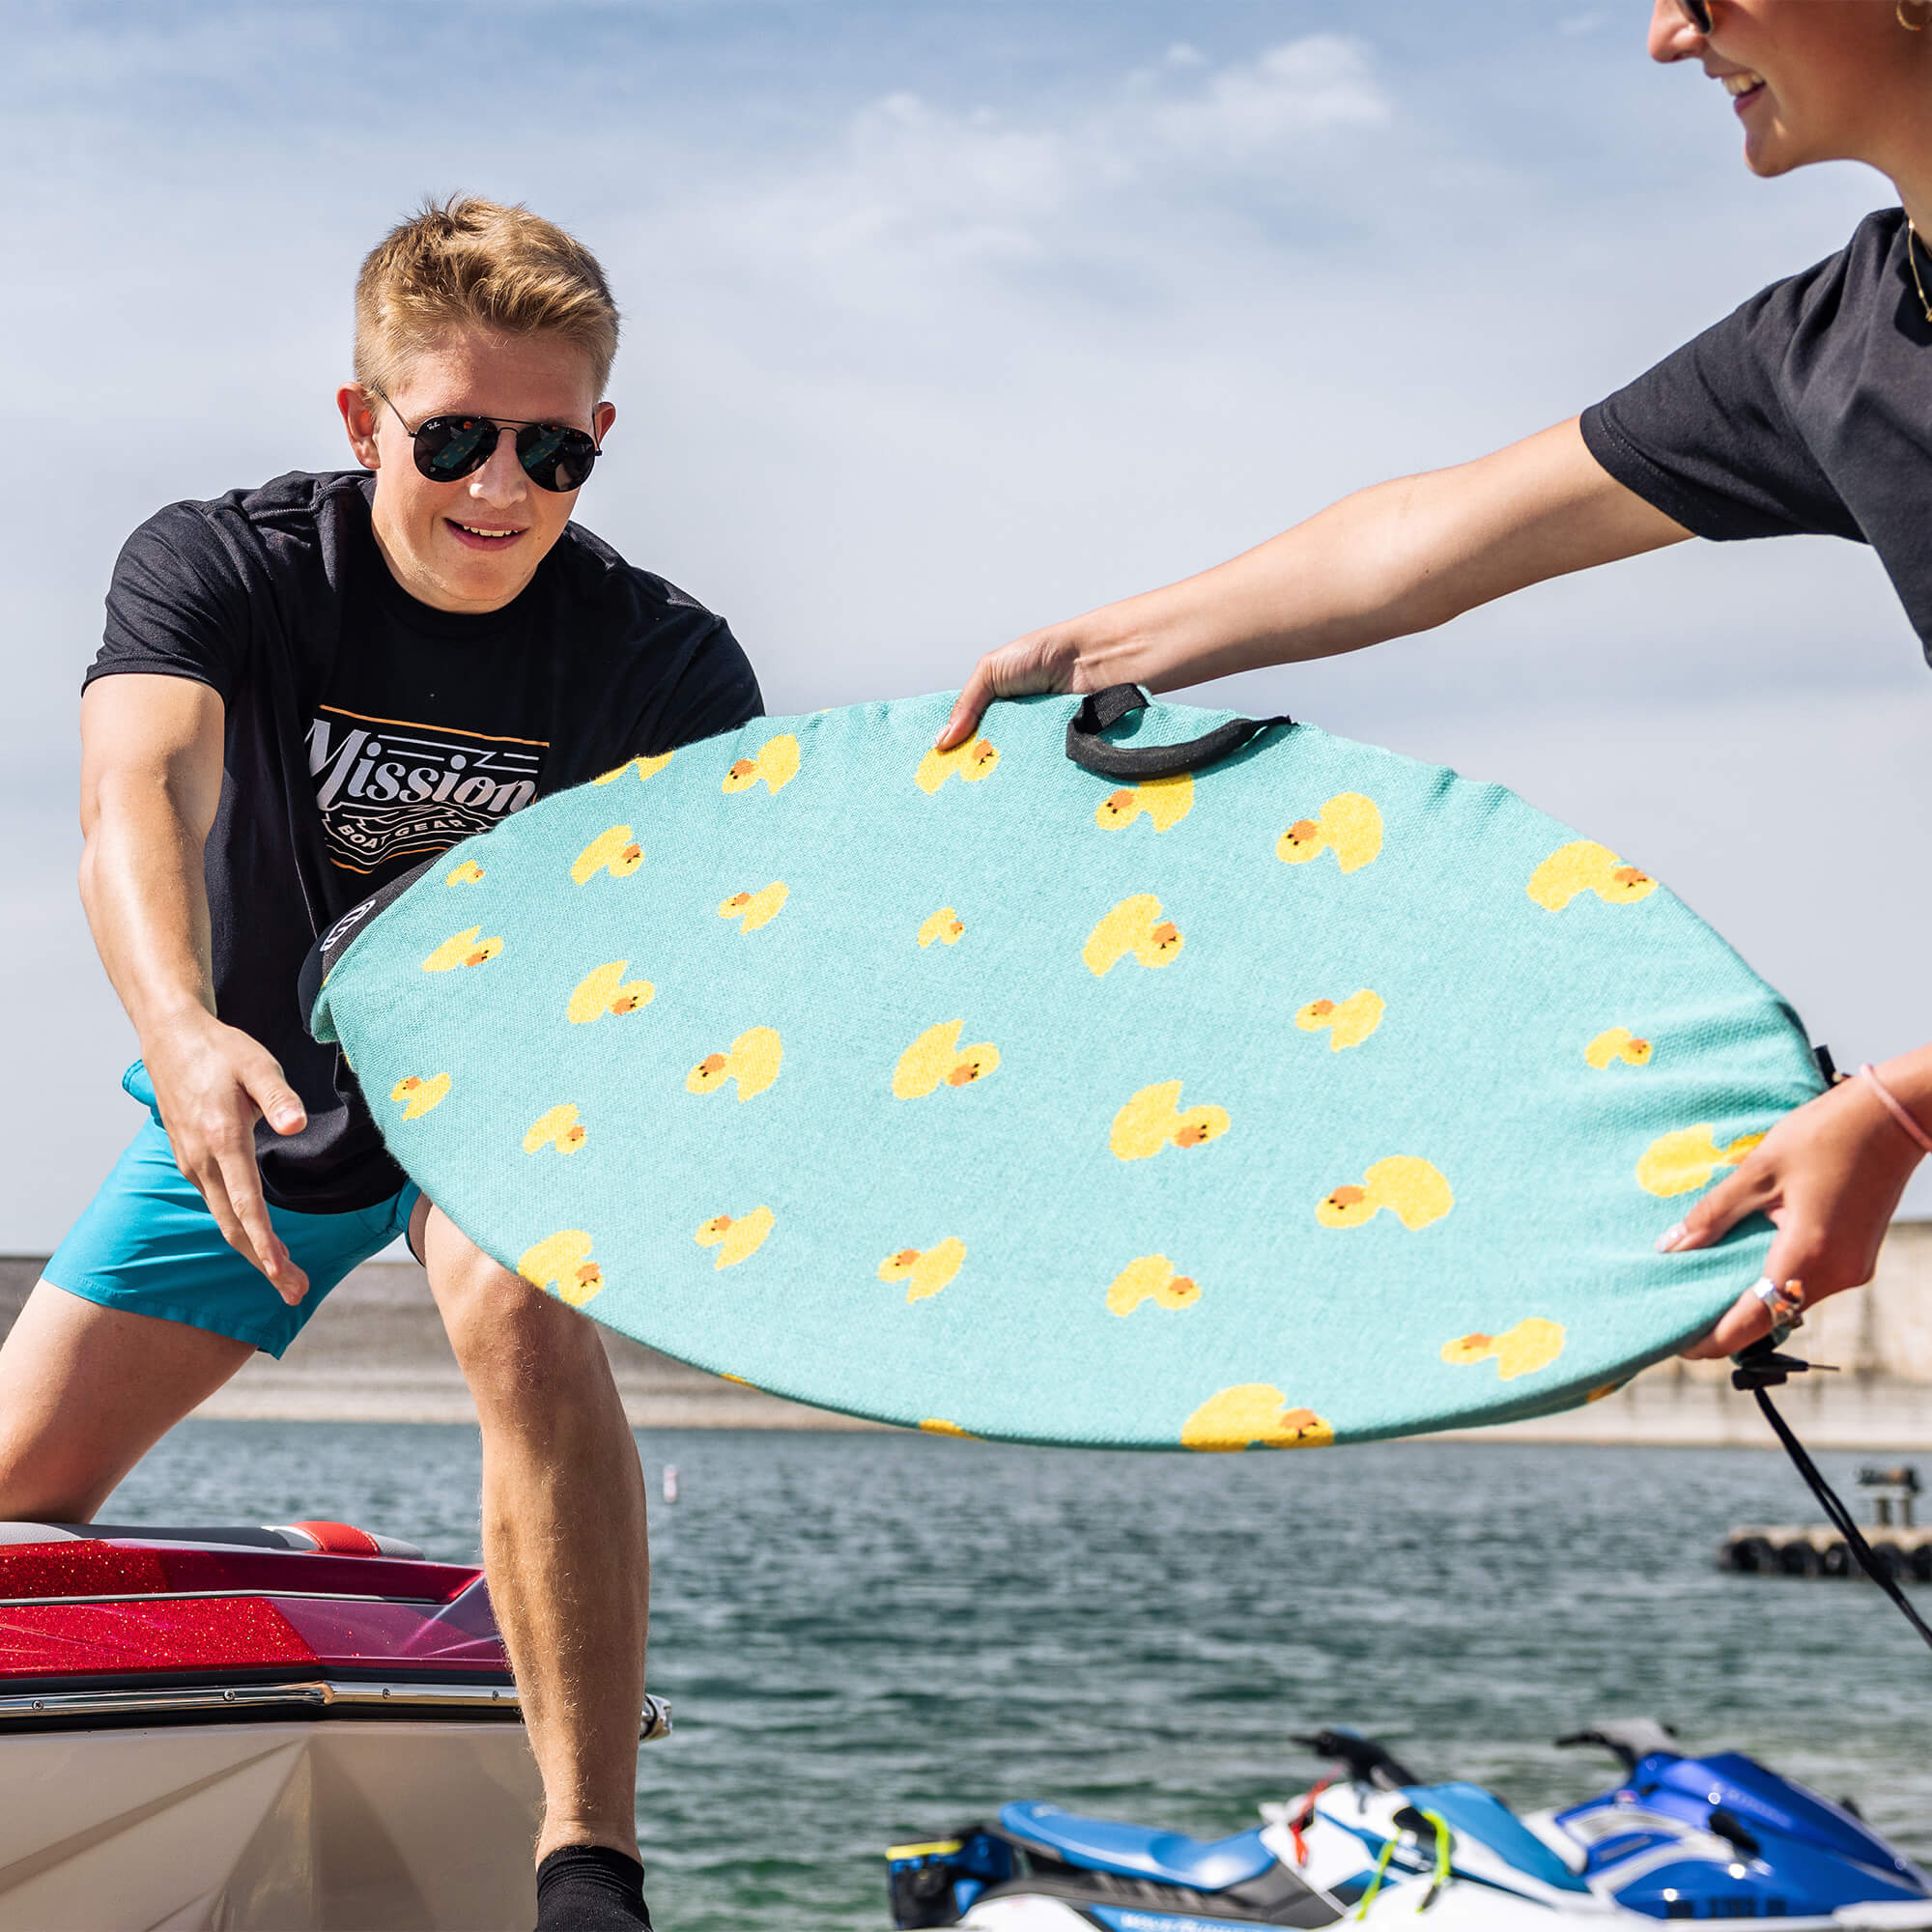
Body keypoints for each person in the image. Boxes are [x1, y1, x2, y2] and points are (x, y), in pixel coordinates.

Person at [939, 0, 1932, 1363]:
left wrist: (1907, 1108)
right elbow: (1423, 546)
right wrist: (1086, 659)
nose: (1667, 36)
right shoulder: (1837, 345)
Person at [0, 196, 759, 1932]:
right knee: (15, 1495)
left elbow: (738, 941)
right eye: (459, 439)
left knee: (513, 1298)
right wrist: (179, 1029)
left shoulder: (663, 658)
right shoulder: (231, 562)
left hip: (498, 1109)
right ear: (365, 423)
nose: (504, 489)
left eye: (555, 448)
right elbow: (142, 787)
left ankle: (589, 1865)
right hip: (251, 1096)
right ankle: (284, 1570)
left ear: (598, 441)